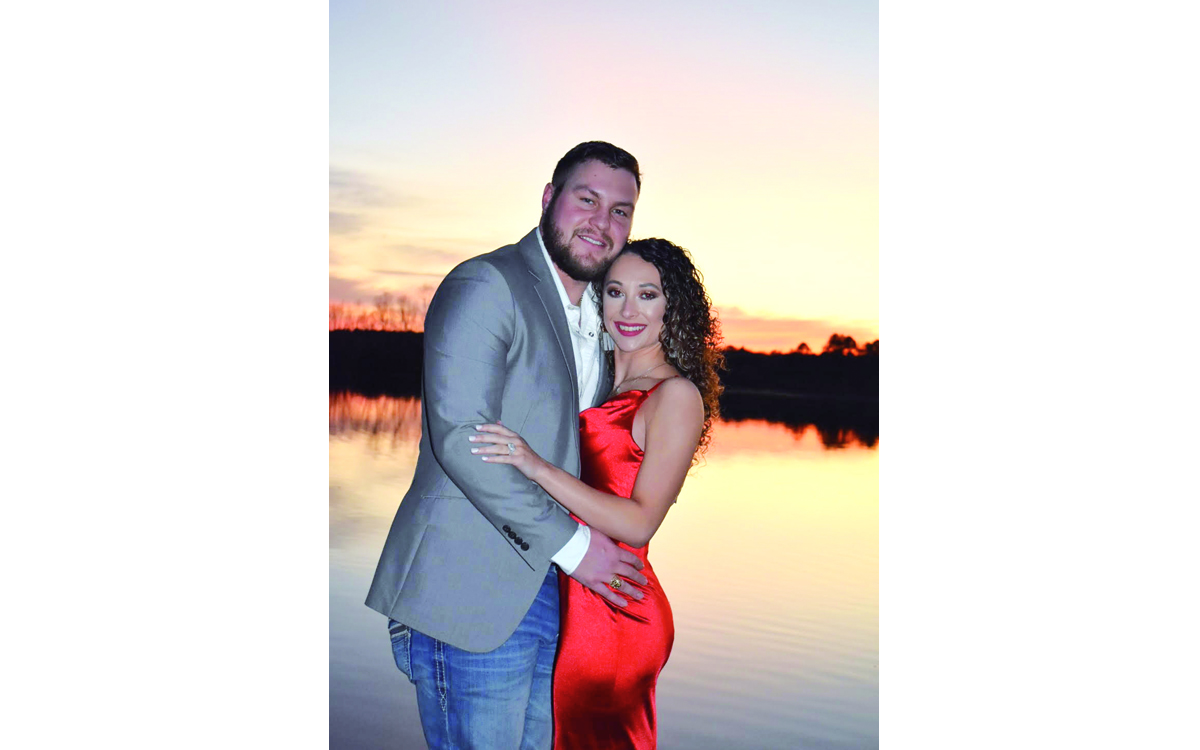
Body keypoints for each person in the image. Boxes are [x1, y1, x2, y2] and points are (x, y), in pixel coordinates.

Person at [365, 142, 651, 750]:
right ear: (548, 199)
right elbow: (463, 439)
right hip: (472, 592)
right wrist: (578, 549)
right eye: (587, 200)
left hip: (565, 596)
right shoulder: (487, 284)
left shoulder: (606, 314)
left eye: (620, 211)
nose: (602, 222)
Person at [470, 238, 724, 749]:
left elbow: (639, 523)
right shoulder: (599, 383)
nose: (628, 310)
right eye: (615, 292)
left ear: (672, 307)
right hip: (579, 597)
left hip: (617, 613)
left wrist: (535, 466)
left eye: (647, 295)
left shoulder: (674, 395)